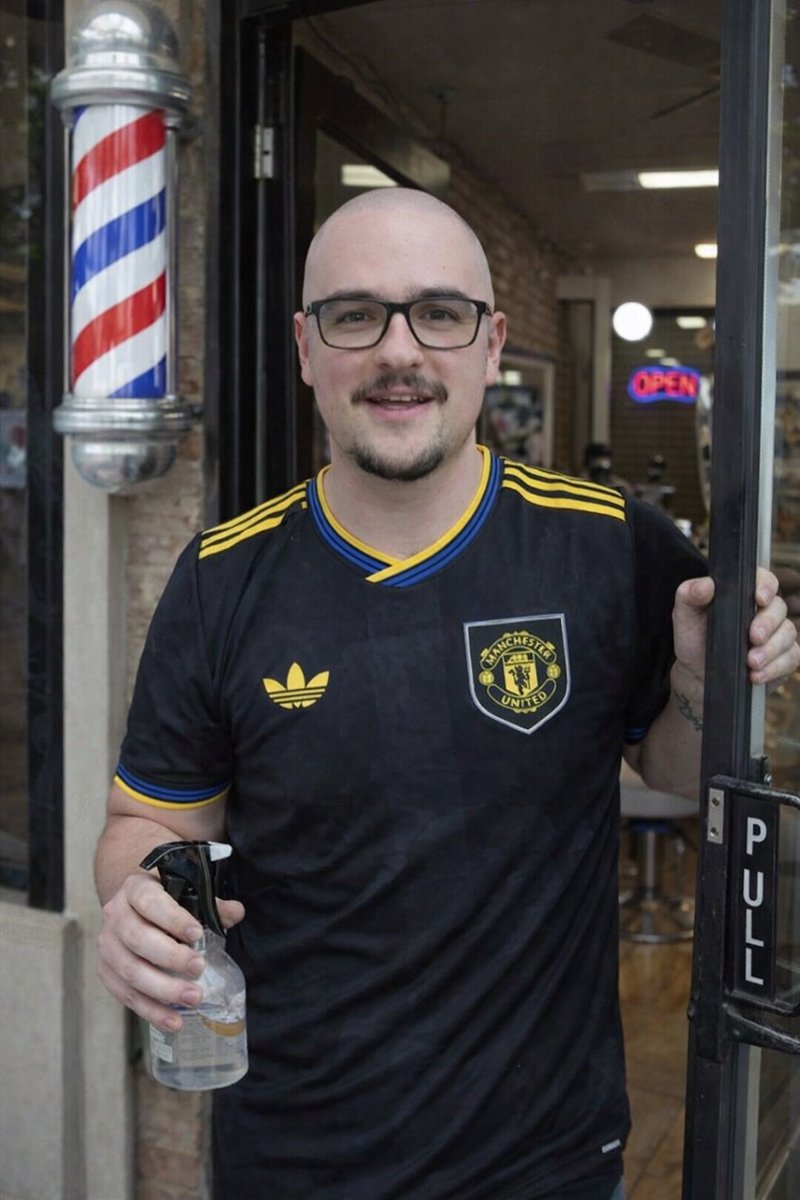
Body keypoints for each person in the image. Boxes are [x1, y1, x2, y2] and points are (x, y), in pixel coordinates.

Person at [95, 188, 799, 1200]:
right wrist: (131, 902)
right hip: (294, 1150)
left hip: (544, 1154)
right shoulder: (221, 577)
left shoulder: (608, 544)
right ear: (304, 347)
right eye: (353, 315)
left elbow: (682, 776)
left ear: (490, 340)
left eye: (438, 311)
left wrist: (699, 683)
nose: (398, 351)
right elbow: (147, 816)